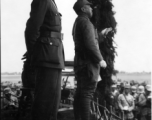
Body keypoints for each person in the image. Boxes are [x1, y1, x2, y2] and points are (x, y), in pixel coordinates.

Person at [24, 0, 64, 120]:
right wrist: (33, 53)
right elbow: (32, 29)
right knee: (46, 103)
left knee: (52, 102)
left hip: (52, 55)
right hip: (47, 56)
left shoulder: (50, 1)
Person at [72, 0, 112, 120]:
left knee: (80, 94)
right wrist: (100, 59)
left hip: (81, 63)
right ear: (83, 9)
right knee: (86, 95)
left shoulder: (79, 22)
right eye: (90, 7)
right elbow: (90, 44)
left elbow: (88, 40)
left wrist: (100, 34)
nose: (92, 9)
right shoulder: (86, 23)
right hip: (88, 64)